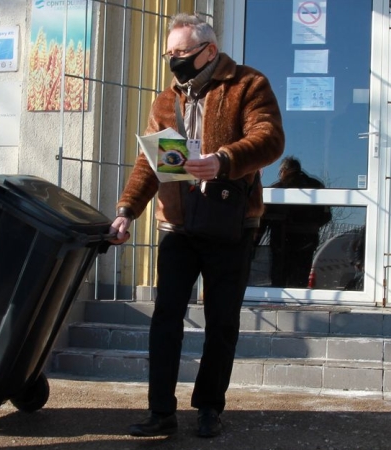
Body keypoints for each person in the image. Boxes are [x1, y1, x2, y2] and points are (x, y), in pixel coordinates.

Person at [109, 13, 284, 438]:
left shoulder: (248, 84)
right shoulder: (165, 101)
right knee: (165, 319)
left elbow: (270, 139)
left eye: (181, 53)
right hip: (177, 228)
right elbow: (148, 163)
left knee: (221, 322)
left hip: (231, 224)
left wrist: (223, 160)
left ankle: (209, 408)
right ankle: (160, 412)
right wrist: (127, 210)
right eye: (169, 54)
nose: (174, 61)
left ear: (209, 50)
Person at [262, 156, 331, 288]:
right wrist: (312, 226)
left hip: (281, 241)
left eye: (280, 172)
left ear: (284, 171)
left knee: (279, 280)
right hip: (307, 241)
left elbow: (264, 216)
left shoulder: (276, 189)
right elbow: (326, 215)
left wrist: (256, 238)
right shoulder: (317, 186)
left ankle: (278, 302)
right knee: (300, 280)